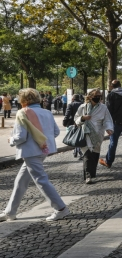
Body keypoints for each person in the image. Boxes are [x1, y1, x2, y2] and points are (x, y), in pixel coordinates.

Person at [0, 88, 70, 222]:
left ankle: (61, 208)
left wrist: (11, 140)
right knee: (21, 181)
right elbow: (55, 133)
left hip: (30, 151)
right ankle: (10, 212)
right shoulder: (47, 112)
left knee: (41, 180)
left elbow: (20, 137)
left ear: (24, 100)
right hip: (44, 150)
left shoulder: (23, 113)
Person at [74, 89, 114, 184]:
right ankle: (87, 176)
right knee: (87, 154)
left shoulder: (103, 108)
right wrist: (83, 118)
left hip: (97, 133)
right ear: (90, 97)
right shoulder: (82, 107)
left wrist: (109, 128)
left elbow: (107, 119)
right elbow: (76, 119)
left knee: (95, 154)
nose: (98, 98)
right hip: (85, 133)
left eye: (100, 96)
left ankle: (92, 173)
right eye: (96, 96)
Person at [64, 94, 84, 159]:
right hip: (81, 122)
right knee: (78, 136)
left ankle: (78, 151)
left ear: (73, 98)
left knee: (74, 136)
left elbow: (67, 114)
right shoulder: (83, 104)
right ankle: (77, 151)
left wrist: (65, 122)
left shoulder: (71, 105)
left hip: (73, 122)